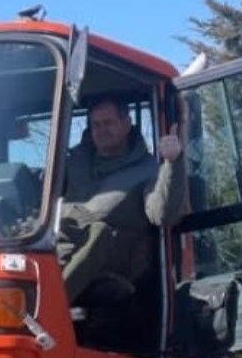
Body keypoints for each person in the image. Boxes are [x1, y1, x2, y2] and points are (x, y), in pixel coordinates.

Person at [59, 94, 186, 304]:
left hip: (109, 269)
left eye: (108, 123)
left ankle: (49, 309)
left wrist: (173, 164)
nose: (101, 130)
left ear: (127, 124)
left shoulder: (147, 171)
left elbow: (161, 214)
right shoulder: (72, 163)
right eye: (96, 124)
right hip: (57, 251)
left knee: (99, 232)